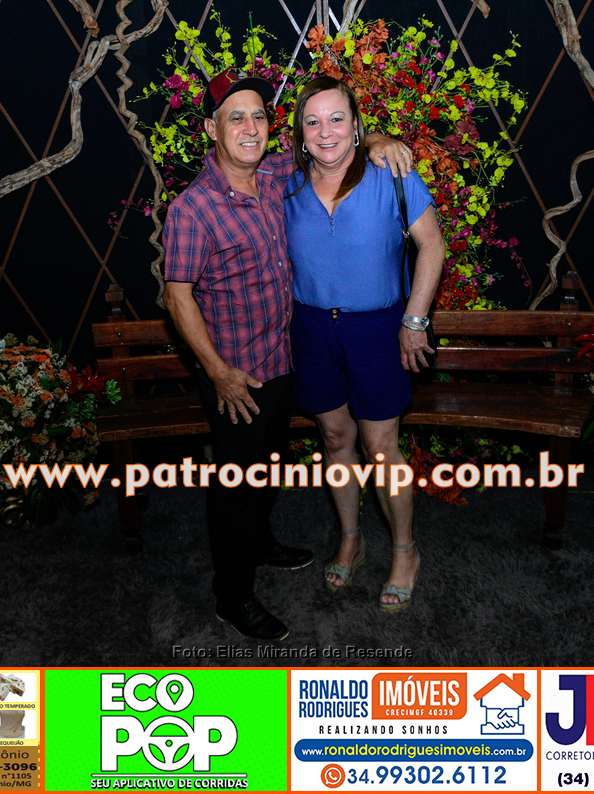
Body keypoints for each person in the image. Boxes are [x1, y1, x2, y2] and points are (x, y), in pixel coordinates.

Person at [162, 70, 412, 641]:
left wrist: (376, 140)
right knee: (235, 485)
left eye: (258, 116)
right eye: (236, 118)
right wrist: (219, 373)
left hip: (284, 361)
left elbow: (333, 146)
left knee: (267, 469)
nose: (251, 128)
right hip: (236, 376)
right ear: (212, 130)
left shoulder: (277, 175)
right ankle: (232, 596)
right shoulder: (193, 209)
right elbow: (177, 297)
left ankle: (260, 543)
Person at [283, 76, 444, 612]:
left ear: (356, 125)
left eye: (337, 119)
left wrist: (414, 321)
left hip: (377, 329)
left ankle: (405, 552)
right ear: (301, 133)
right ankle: (350, 538)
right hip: (311, 328)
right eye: (313, 121)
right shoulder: (285, 186)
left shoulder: (391, 175)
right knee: (334, 438)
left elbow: (432, 246)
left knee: (380, 447)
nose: (325, 131)